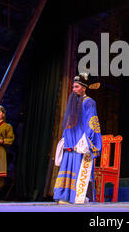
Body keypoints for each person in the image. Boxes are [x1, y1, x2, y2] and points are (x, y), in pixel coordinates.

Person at [54, 73, 102, 204]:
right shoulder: (73, 103)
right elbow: (69, 122)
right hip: (70, 141)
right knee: (68, 165)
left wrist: (86, 139)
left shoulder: (89, 102)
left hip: (80, 141)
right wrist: (65, 138)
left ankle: (80, 196)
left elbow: (92, 121)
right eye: (73, 87)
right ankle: (65, 196)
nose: (74, 89)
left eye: (76, 87)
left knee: (80, 167)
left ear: (84, 88)